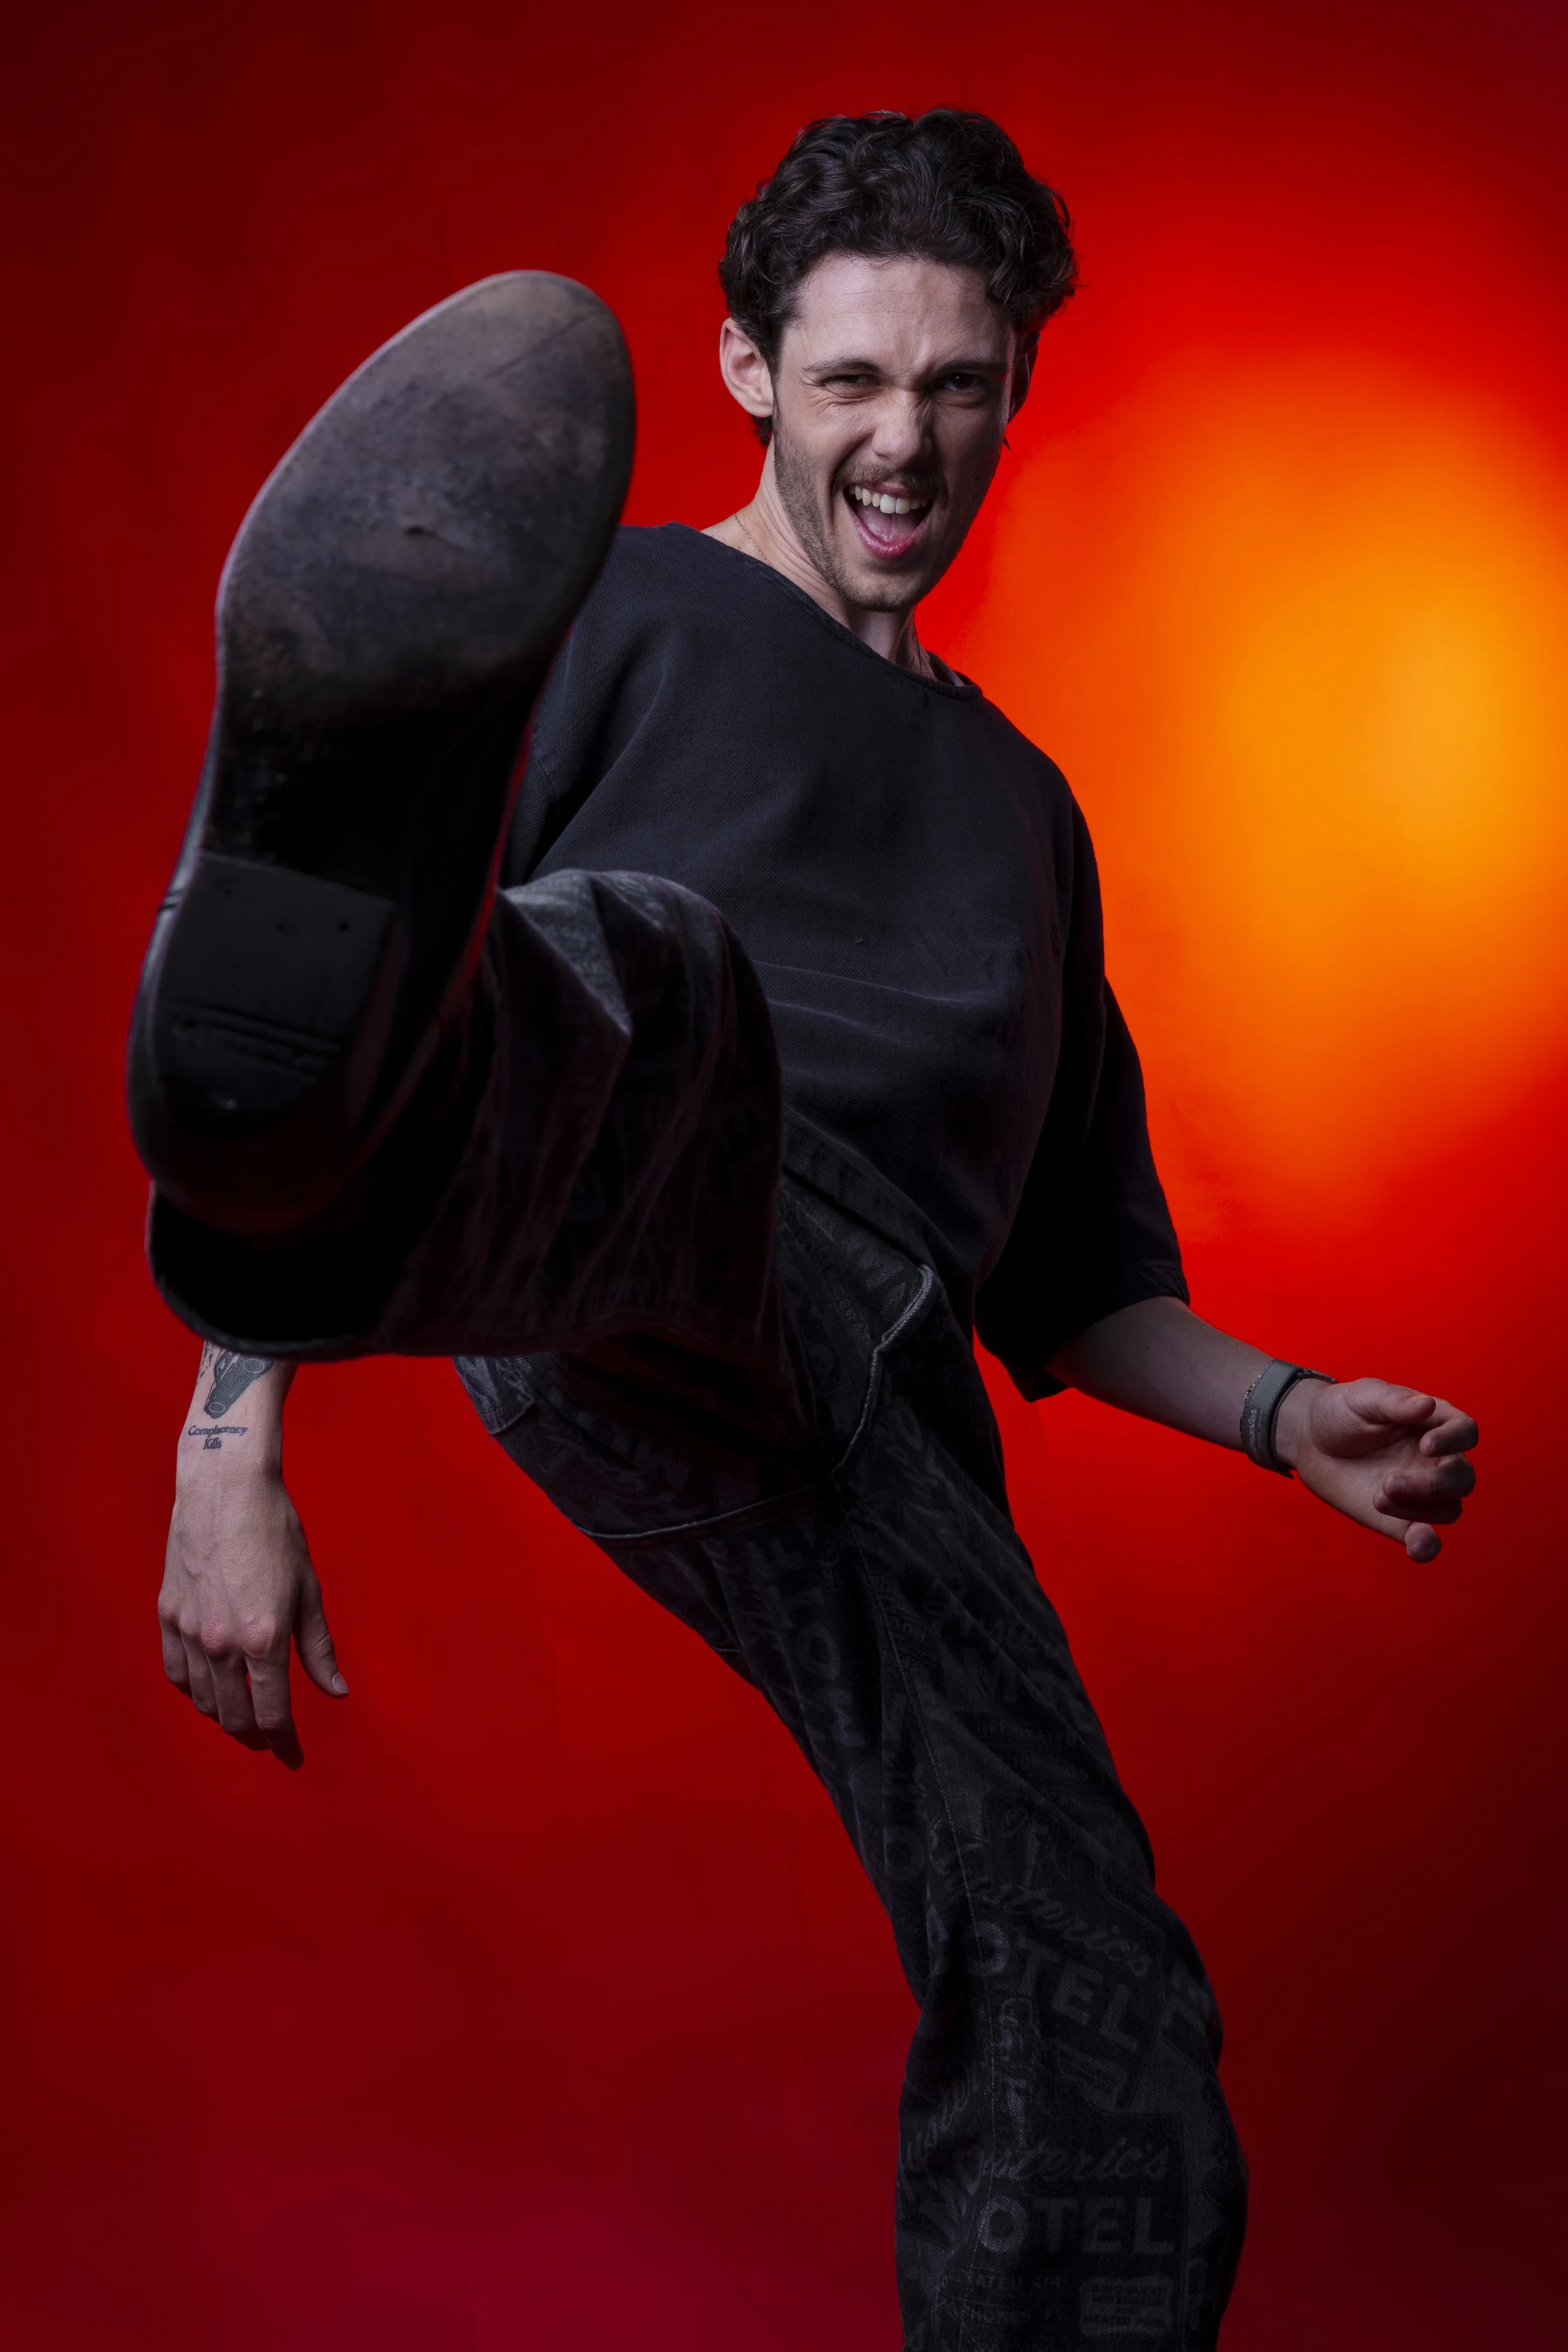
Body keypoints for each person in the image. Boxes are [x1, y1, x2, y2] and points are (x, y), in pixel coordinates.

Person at [129, 110, 1478, 2351]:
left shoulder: (1030, 818)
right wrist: (221, 1444)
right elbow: (504, 969)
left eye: (955, 385)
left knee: (1096, 1991)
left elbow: (1073, 1275)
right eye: (852, 379)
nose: (903, 436)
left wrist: (1281, 1413)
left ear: (1011, 395)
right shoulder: (632, 600)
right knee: (645, 966)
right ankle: (304, 1030)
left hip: (863, 1390)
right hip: (617, 1169)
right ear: (750, 372)